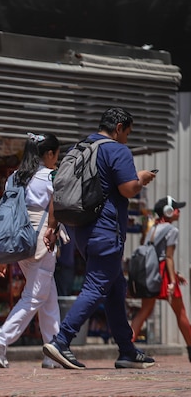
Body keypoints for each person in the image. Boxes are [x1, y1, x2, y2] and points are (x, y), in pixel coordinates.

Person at [43, 107, 157, 370]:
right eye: (127, 133)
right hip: (106, 232)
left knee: (116, 288)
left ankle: (126, 351)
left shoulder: (79, 148)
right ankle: (62, 341)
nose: (127, 139)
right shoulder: (117, 150)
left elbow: (57, 191)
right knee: (95, 287)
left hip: (83, 231)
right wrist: (141, 178)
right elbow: (127, 188)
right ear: (118, 128)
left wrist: (52, 225)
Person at [0, 133, 63, 369]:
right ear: (48, 154)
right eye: (56, 155)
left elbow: (6, 211)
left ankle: (54, 350)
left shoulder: (14, 178)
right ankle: (0, 340)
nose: (56, 160)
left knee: (48, 298)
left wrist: (3, 255)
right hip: (41, 239)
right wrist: (53, 229)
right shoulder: (50, 176)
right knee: (35, 296)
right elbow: (56, 206)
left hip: (18, 240)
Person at [130, 197, 191, 360]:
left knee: (144, 310)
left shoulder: (153, 228)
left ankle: (127, 347)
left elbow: (157, 254)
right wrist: (172, 281)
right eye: (176, 208)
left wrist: (175, 274)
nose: (179, 211)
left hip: (151, 272)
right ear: (168, 212)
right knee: (181, 312)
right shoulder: (172, 230)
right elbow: (168, 257)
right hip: (163, 273)